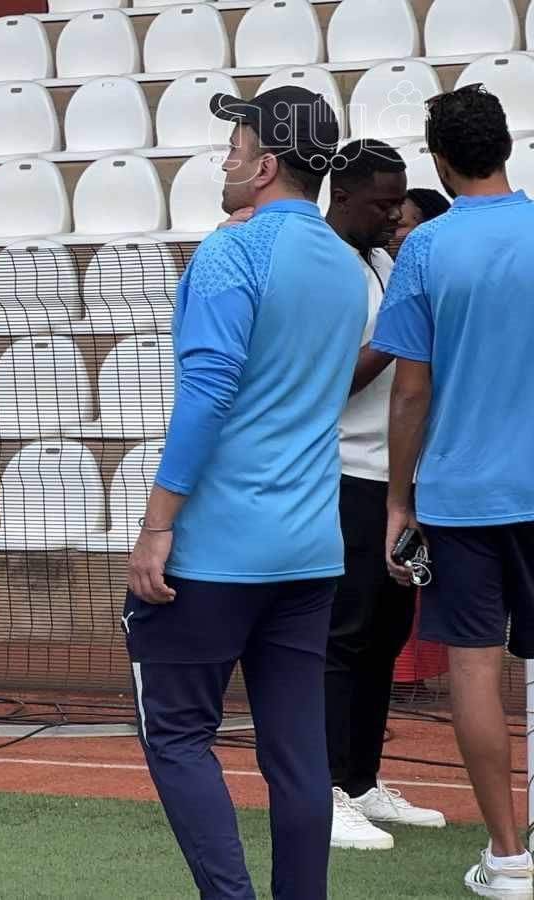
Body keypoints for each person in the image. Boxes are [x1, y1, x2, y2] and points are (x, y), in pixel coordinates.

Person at [123, 85, 367, 900]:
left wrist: (158, 523)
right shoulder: (344, 264)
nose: (225, 160)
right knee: (298, 756)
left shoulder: (231, 251)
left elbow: (208, 392)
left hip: (216, 549)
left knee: (177, 735)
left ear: (264, 166)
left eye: (235, 147)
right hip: (309, 548)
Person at [371, 83, 534, 899]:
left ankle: (507, 858)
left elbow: (410, 391)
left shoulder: (428, 247)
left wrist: (398, 500)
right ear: (505, 145)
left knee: (473, 671)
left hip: (461, 493)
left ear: (439, 160)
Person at [320, 140, 447, 850]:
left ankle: (362, 780)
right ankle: (325, 788)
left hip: (398, 478)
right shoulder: (325, 269)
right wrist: (400, 332)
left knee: (384, 636)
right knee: (343, 635)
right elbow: (326, 382)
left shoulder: (384, 263)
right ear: (341, 197)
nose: (396, 215)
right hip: (343, 475)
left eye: (400, 202)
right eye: (383, 203)